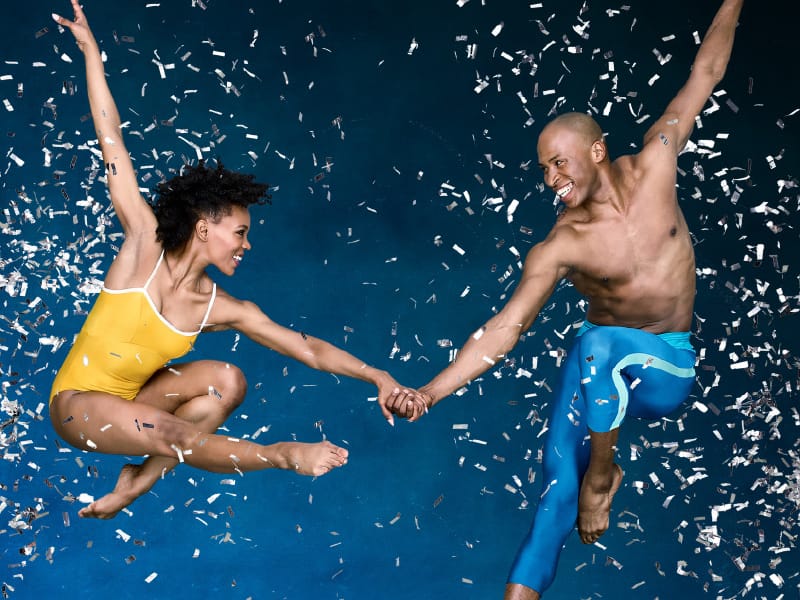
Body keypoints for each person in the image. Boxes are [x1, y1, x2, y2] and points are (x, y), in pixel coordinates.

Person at [385, 0, 744, 597]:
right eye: (544, 170)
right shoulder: (560, 246)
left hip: (666, 366)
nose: (552, 179)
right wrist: (428, 392)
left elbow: (704, 74)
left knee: (599, 345)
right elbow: (505, 328)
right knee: (555, 493)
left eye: (558, 163)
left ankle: (602, 477)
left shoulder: (657, 161)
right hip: (599, 372)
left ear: (596, 150)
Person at [49, 0, 412, 520]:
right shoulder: (142, 248)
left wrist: (378, 375)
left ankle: (138, 481)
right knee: (172, 432)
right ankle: (282, 456)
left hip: (137, 410)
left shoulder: (217, 306)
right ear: (203, 228)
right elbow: (113, 141)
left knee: (228, 380)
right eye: (239, 233)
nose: (246, 245)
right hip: (78, 407)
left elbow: (305, 348)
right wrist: (91, 54)